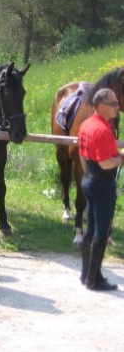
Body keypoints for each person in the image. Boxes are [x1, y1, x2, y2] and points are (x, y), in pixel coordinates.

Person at [78, 88, 122, 291]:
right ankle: (95, 279)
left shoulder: (87, 124)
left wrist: (89, 175)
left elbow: (82, 154)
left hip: (89, 179)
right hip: (103, 183)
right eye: (113, 104)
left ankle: (86, 274)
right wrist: (121, 157)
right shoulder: (103, 130)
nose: (117, 107)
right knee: (101, 233)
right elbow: (105, 163)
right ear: (101, 106)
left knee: (90, 230)